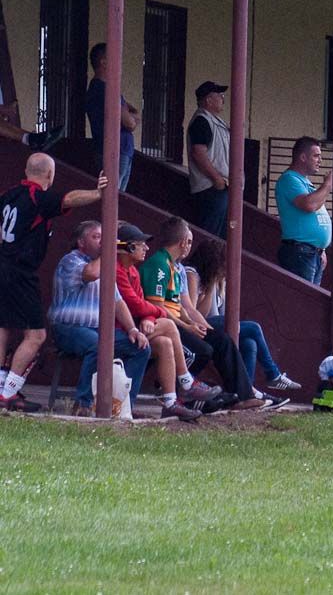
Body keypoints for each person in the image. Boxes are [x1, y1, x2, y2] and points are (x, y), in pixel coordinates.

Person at [0, 154, 108, 412]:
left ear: (27, 171)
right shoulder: (38, 196)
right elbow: (68, 199)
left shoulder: (9, 195)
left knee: (3, 327)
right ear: (50, 175)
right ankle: (8, 393)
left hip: (3, 265)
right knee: (36, 335)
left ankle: (3, 388)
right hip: (21, 272)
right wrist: (98, 192)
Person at [139, 217, 265, 410]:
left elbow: (182, 305)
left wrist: (194, 324)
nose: (189, 246)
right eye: (189, 241)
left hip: (179, 322)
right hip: (163, 324)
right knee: (202, 350)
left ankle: (243, 395)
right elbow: (157, 306)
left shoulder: (175, 267)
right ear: (182, 243)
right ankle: (179, 392)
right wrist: (186, 326)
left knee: (221, 339)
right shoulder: (159, 265)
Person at [115, 222, 220, 419]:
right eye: (140, 244)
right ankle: (186, 382)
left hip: (138, 327)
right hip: (119, 330)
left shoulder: (135, 271)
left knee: (164, 343)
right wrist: (158, 313)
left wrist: (149, 316)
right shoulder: (119, 269)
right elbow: (138, 303)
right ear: (128, 247)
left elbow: (143, 302)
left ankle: (171, 401)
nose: (146, 248)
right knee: (172, 327)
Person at [48, 221, 152, 415]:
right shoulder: (71, 260)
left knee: (140, 348)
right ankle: (84, 403)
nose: (102, 242)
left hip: (96, 331)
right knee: (99, 345)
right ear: (81, 242)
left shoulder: (105, 265)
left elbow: (118, 302)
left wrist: (133, 329)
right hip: (67, 328)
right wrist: (110, 250)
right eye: (96, 237)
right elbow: (91, 273)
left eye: (104, 238)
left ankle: (123, 405)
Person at [184, 238, 301, 395]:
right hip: (197, 326)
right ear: (213, 261)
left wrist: (216, 283)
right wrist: (211, 286)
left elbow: (220, 315)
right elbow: (195, 312)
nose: (226, 268)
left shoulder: (218, 280)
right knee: (254, 328)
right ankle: (273, 375)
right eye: (224, 263)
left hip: (212, 323)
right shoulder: (192, 274)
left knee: (249, 343)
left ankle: (244, 393)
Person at [275, 136, 332, 284]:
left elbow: (315, 205)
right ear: (302, 157)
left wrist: (321, 248)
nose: (320, 160)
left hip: (312, 253)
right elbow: (309, 205)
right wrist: (327, 185)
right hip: (300, 252)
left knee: (310, 302)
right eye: (316, 156)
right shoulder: (289, 179)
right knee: (304, 302)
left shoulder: (305, 182)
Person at [85, 43, 139, 191]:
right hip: (114, 153)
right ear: (103, 62)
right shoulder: (103, 90)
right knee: (112, 196)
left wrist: (129, 113)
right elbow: (130, 123)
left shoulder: (103, 89)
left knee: (117, 197)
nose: (119, 63)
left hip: (120, 152)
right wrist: (129, 114)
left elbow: (132, 114)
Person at [187, 81, 234, 238]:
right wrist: (217, 180)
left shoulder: (215, 121)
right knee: (209, 236)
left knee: (220, 236)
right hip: (210, 188)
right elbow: (198, 153)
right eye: (220, 96)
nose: (223, 99)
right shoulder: (202, 120)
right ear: (208, 100)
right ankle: (203, 263)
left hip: (219, 187)